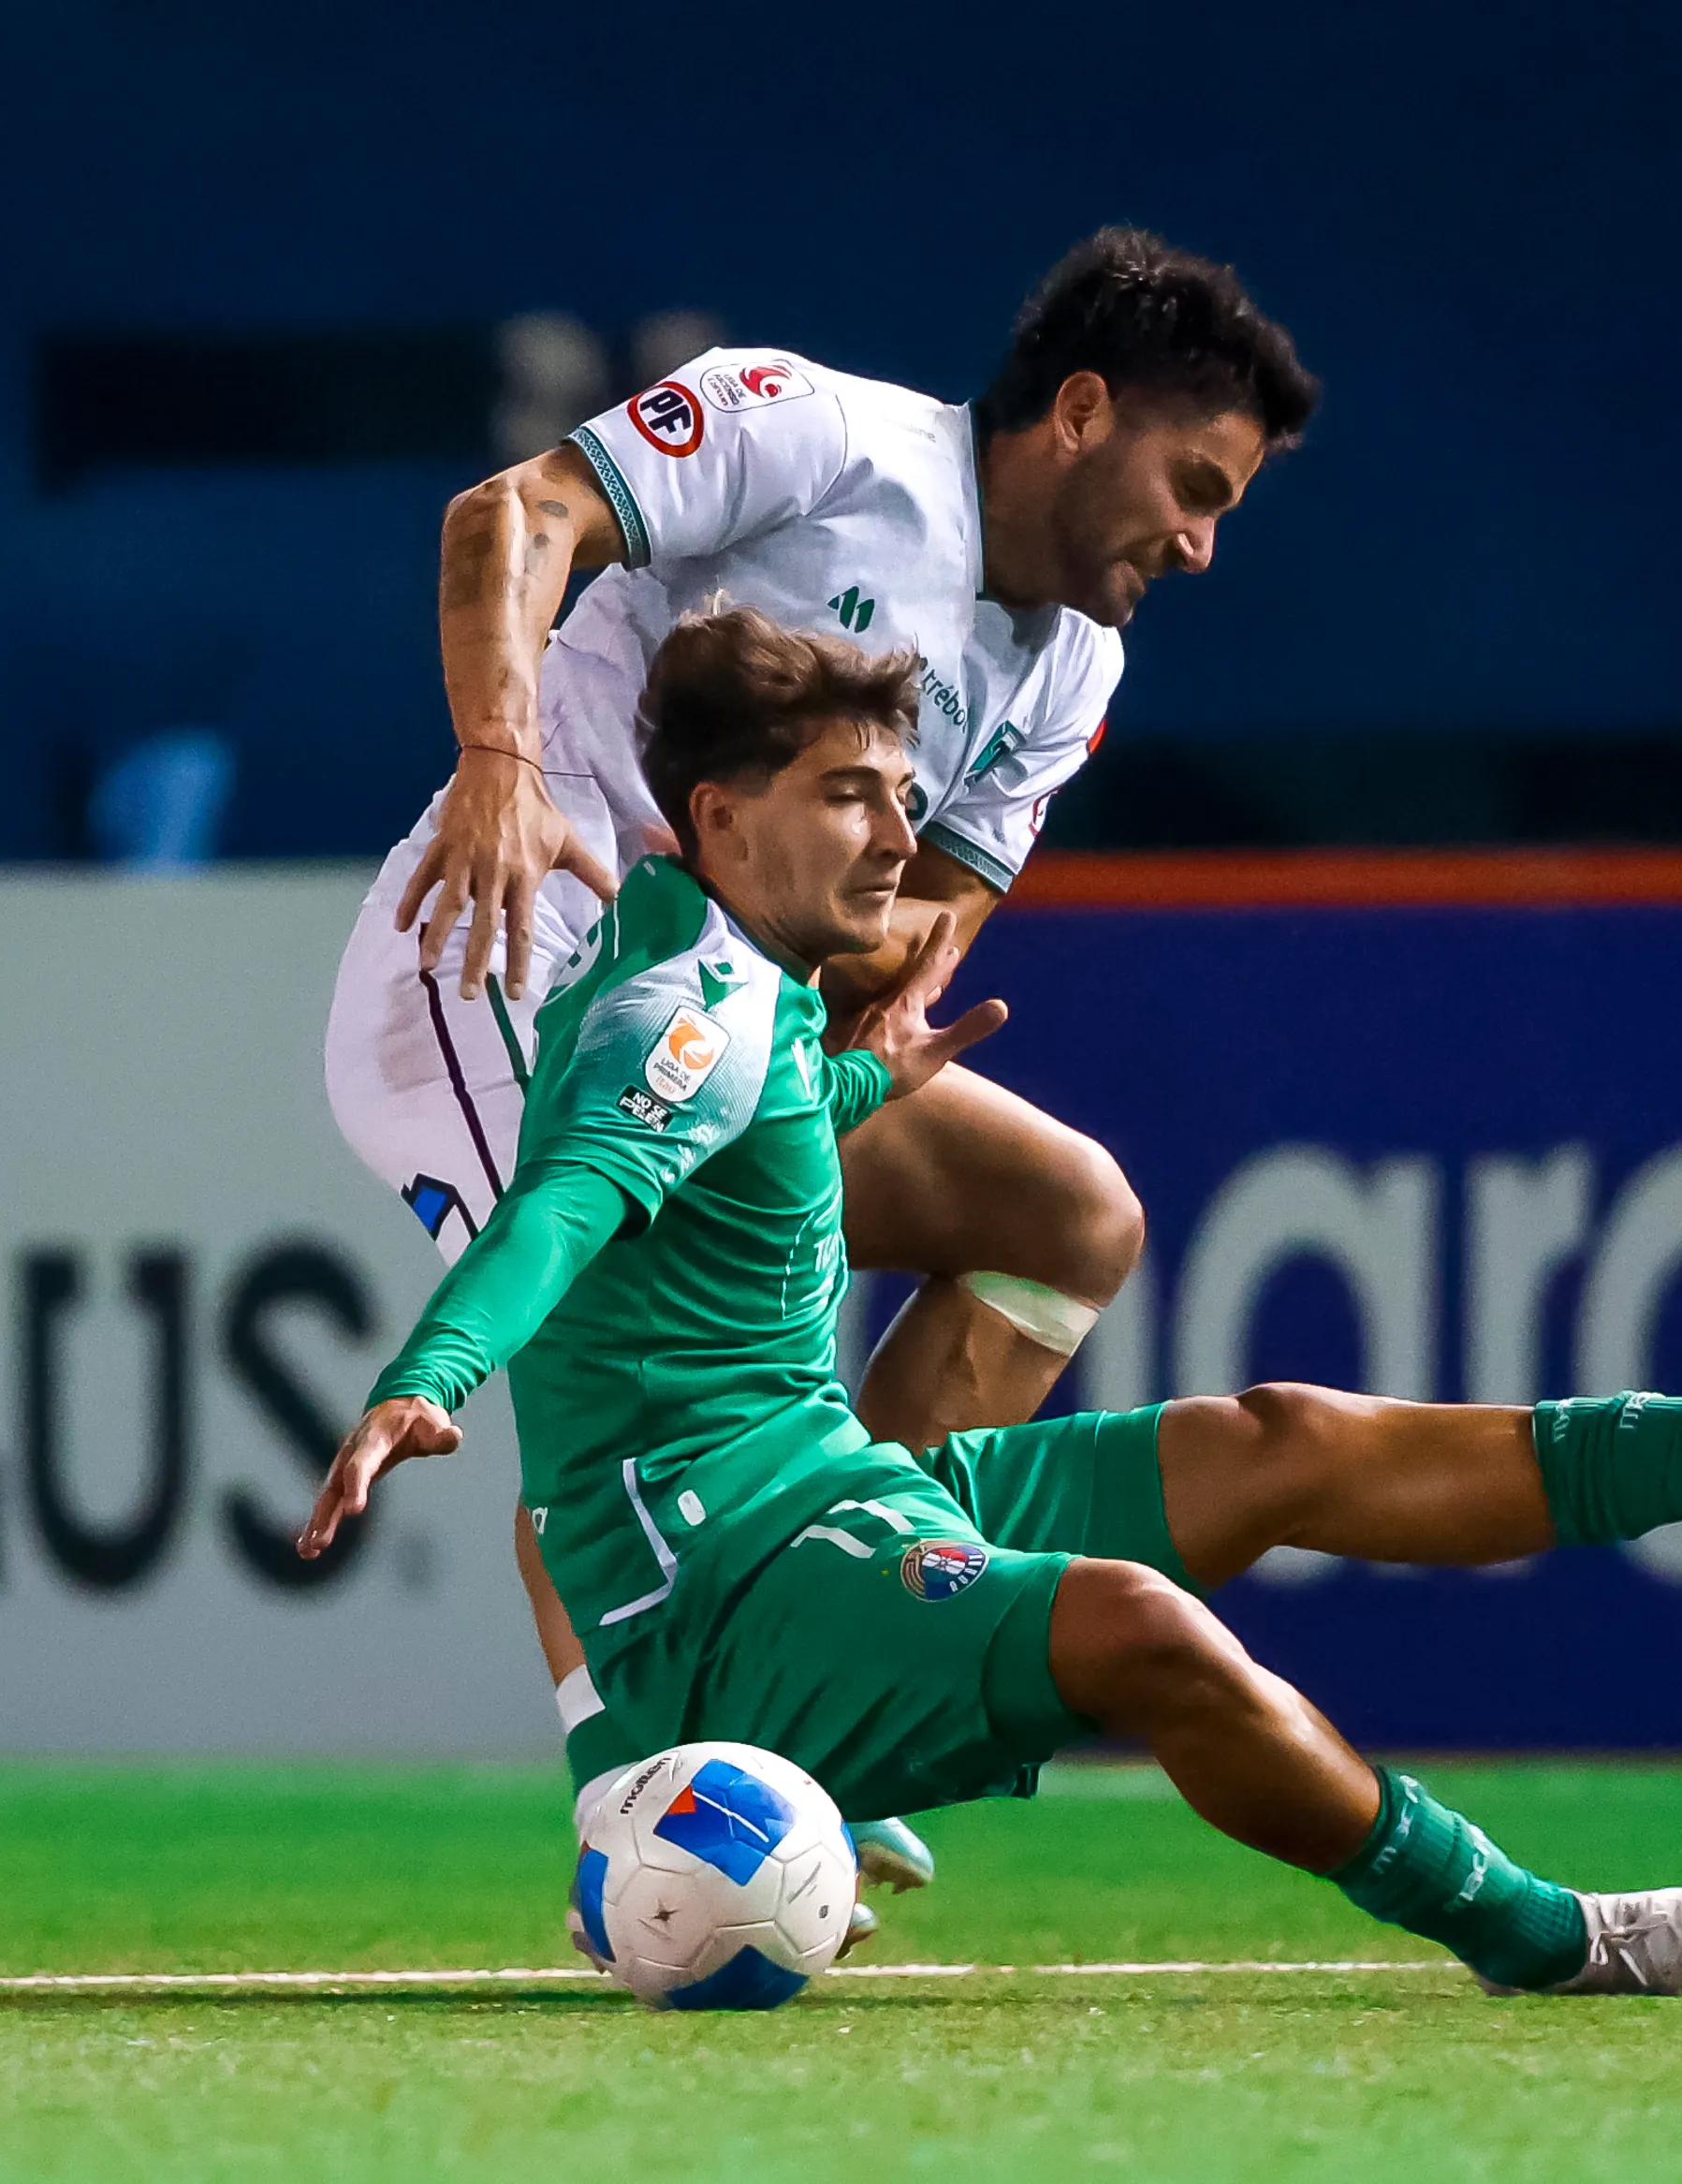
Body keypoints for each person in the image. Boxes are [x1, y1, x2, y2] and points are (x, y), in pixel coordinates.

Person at [298, 606, 1682, 1998]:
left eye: (898, 791)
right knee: (1140, 1626)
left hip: (803, 1491)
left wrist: (853, 1093)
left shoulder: (742, 989)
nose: (895, 835)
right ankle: (1553, 1941)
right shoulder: (691, 1014)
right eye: (848, 796)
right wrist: (429, 1370)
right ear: (720, 819)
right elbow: (562, 1208)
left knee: (1276, 1445)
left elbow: (705, 1198)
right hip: (741, 1604)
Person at [319, 227, 1316, 1897]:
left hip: (737, 1037)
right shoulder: (820, 434)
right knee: (618, 1370)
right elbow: (512, 515)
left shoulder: (1073, 661)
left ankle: (840, 1669)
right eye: (1195, 484)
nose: (1204, 545)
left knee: (1069, 1218)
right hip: (510, 961)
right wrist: (498, 755)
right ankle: (636, 1805)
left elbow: (902, 943)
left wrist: (890, 999)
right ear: (1081, 411)